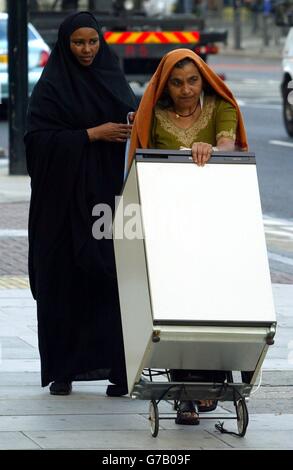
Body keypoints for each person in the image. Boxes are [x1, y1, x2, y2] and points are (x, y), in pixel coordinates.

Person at [128, 48, 248, 425]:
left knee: (213, 303)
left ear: (204, 80)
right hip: (170, 225)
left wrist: (210, 149)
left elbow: (227, 149)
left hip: (215, 222)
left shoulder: (220, 107)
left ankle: (214, 383)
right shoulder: (155, 114)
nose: (186, 89)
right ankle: (184, 397)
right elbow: (142, 162)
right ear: (166, 84)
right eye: (177, 82)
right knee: (177, 306)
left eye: (193, 81)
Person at [24, 11, 137, 397]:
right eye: (78, 42)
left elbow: (135, 130)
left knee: (111, 280)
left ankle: (119, 371)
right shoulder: (52, 87)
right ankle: (63, 371)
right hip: (62, 205)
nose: (86, 50)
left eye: (92, 41)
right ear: (65, 44)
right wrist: (92, 134)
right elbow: (37, 143)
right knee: (63, 281)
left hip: (108, 202)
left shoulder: (113, 78)